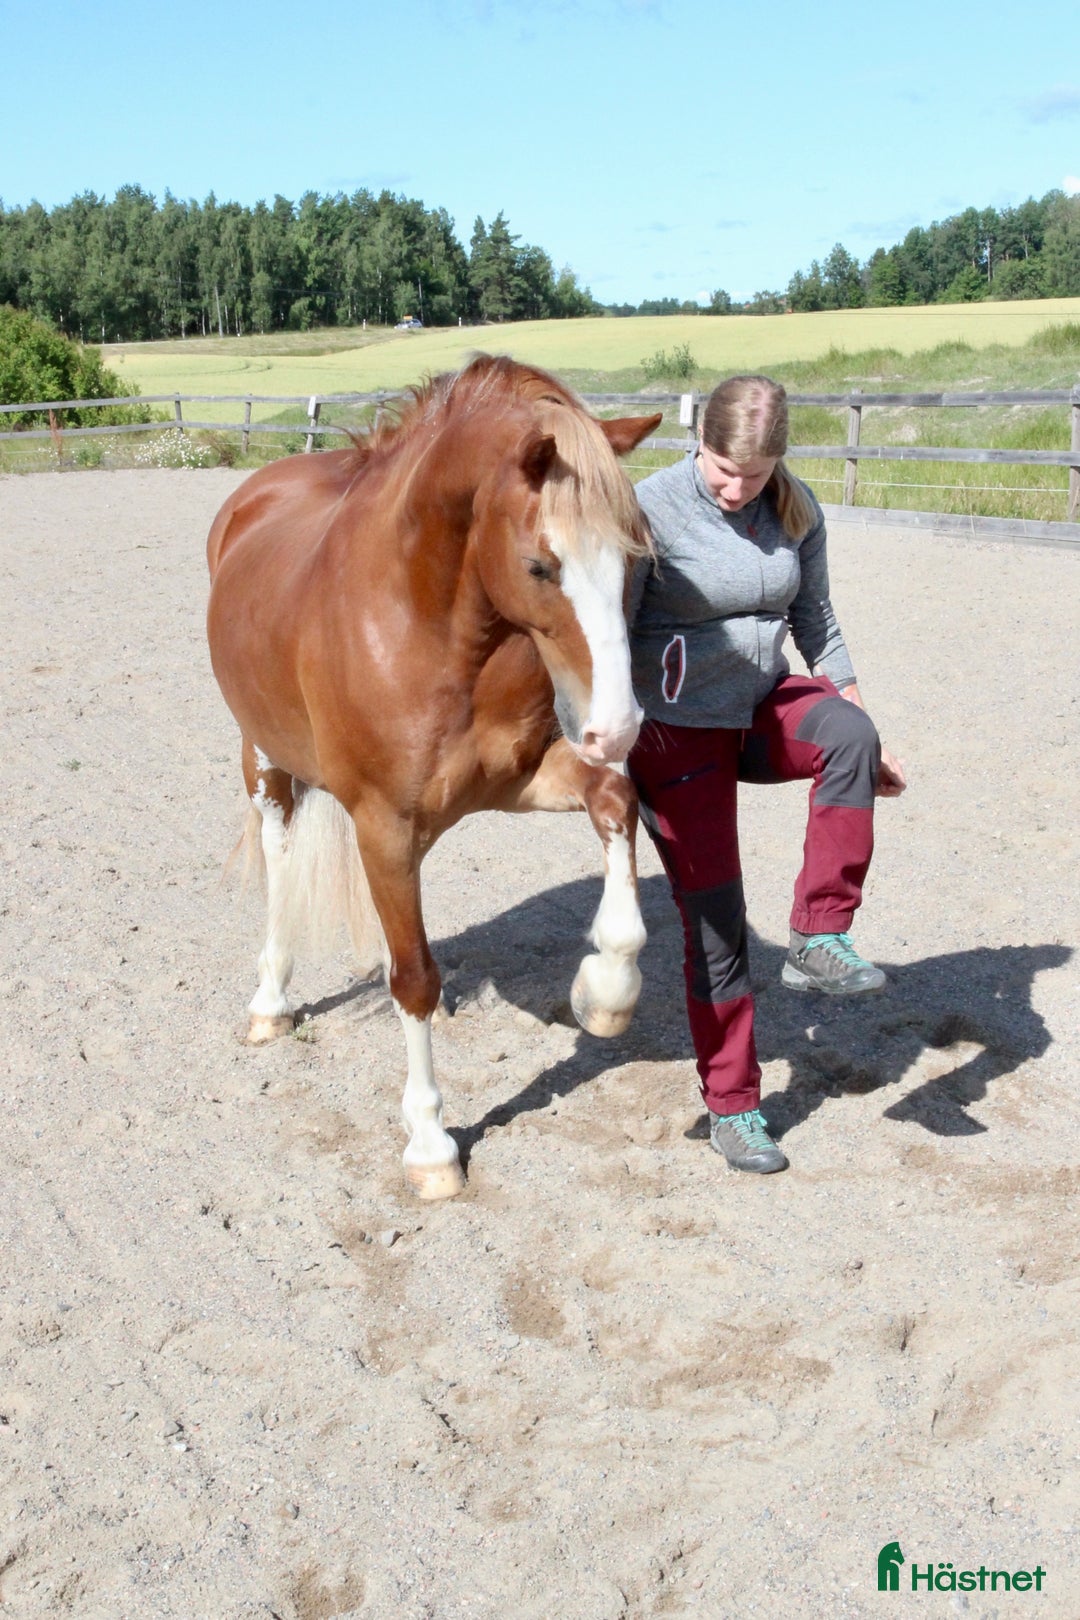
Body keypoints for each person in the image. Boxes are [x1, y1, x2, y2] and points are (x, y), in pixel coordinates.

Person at [627, 374, 906, 1175]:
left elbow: (815, 620)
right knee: (717, 925)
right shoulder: (650, 509)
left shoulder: (794, 505)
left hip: (756, 706)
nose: (736, 487)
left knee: (851, 734)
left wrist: (866, 721)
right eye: (722, 469)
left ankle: (821, 934)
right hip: (677, 729)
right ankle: (734, 1108)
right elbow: (606, 634)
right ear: (700, 444)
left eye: (753, 473)